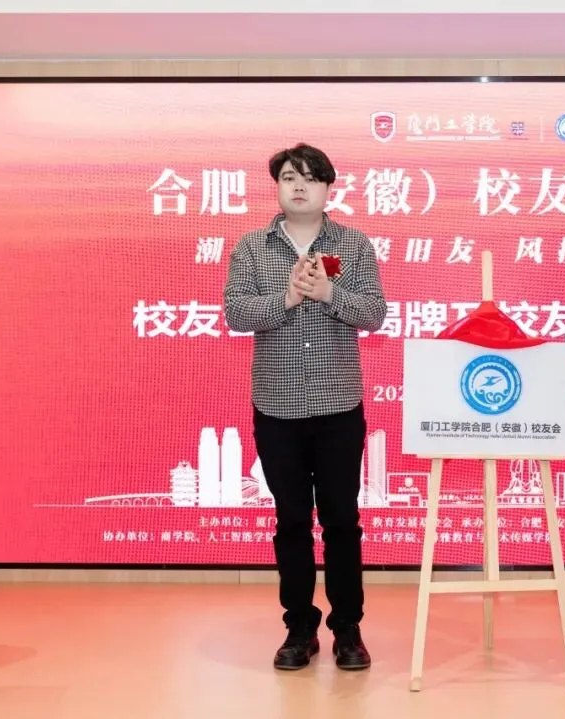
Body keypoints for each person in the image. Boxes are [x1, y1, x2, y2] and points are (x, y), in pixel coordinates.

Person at [223, 143, 387, 672]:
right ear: (277, 186)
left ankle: (348, 629)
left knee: (342, 521)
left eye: (311, 178)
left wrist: (328, 294)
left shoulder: (353, 245)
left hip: (339, 405)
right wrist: (289, 299)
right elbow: (236, 313)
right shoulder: (253, 248)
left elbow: (374, 313)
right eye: (290, 177)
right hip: (277, 406)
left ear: (328, 188)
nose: (299, 186)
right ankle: (299, 627)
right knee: (291, 521)